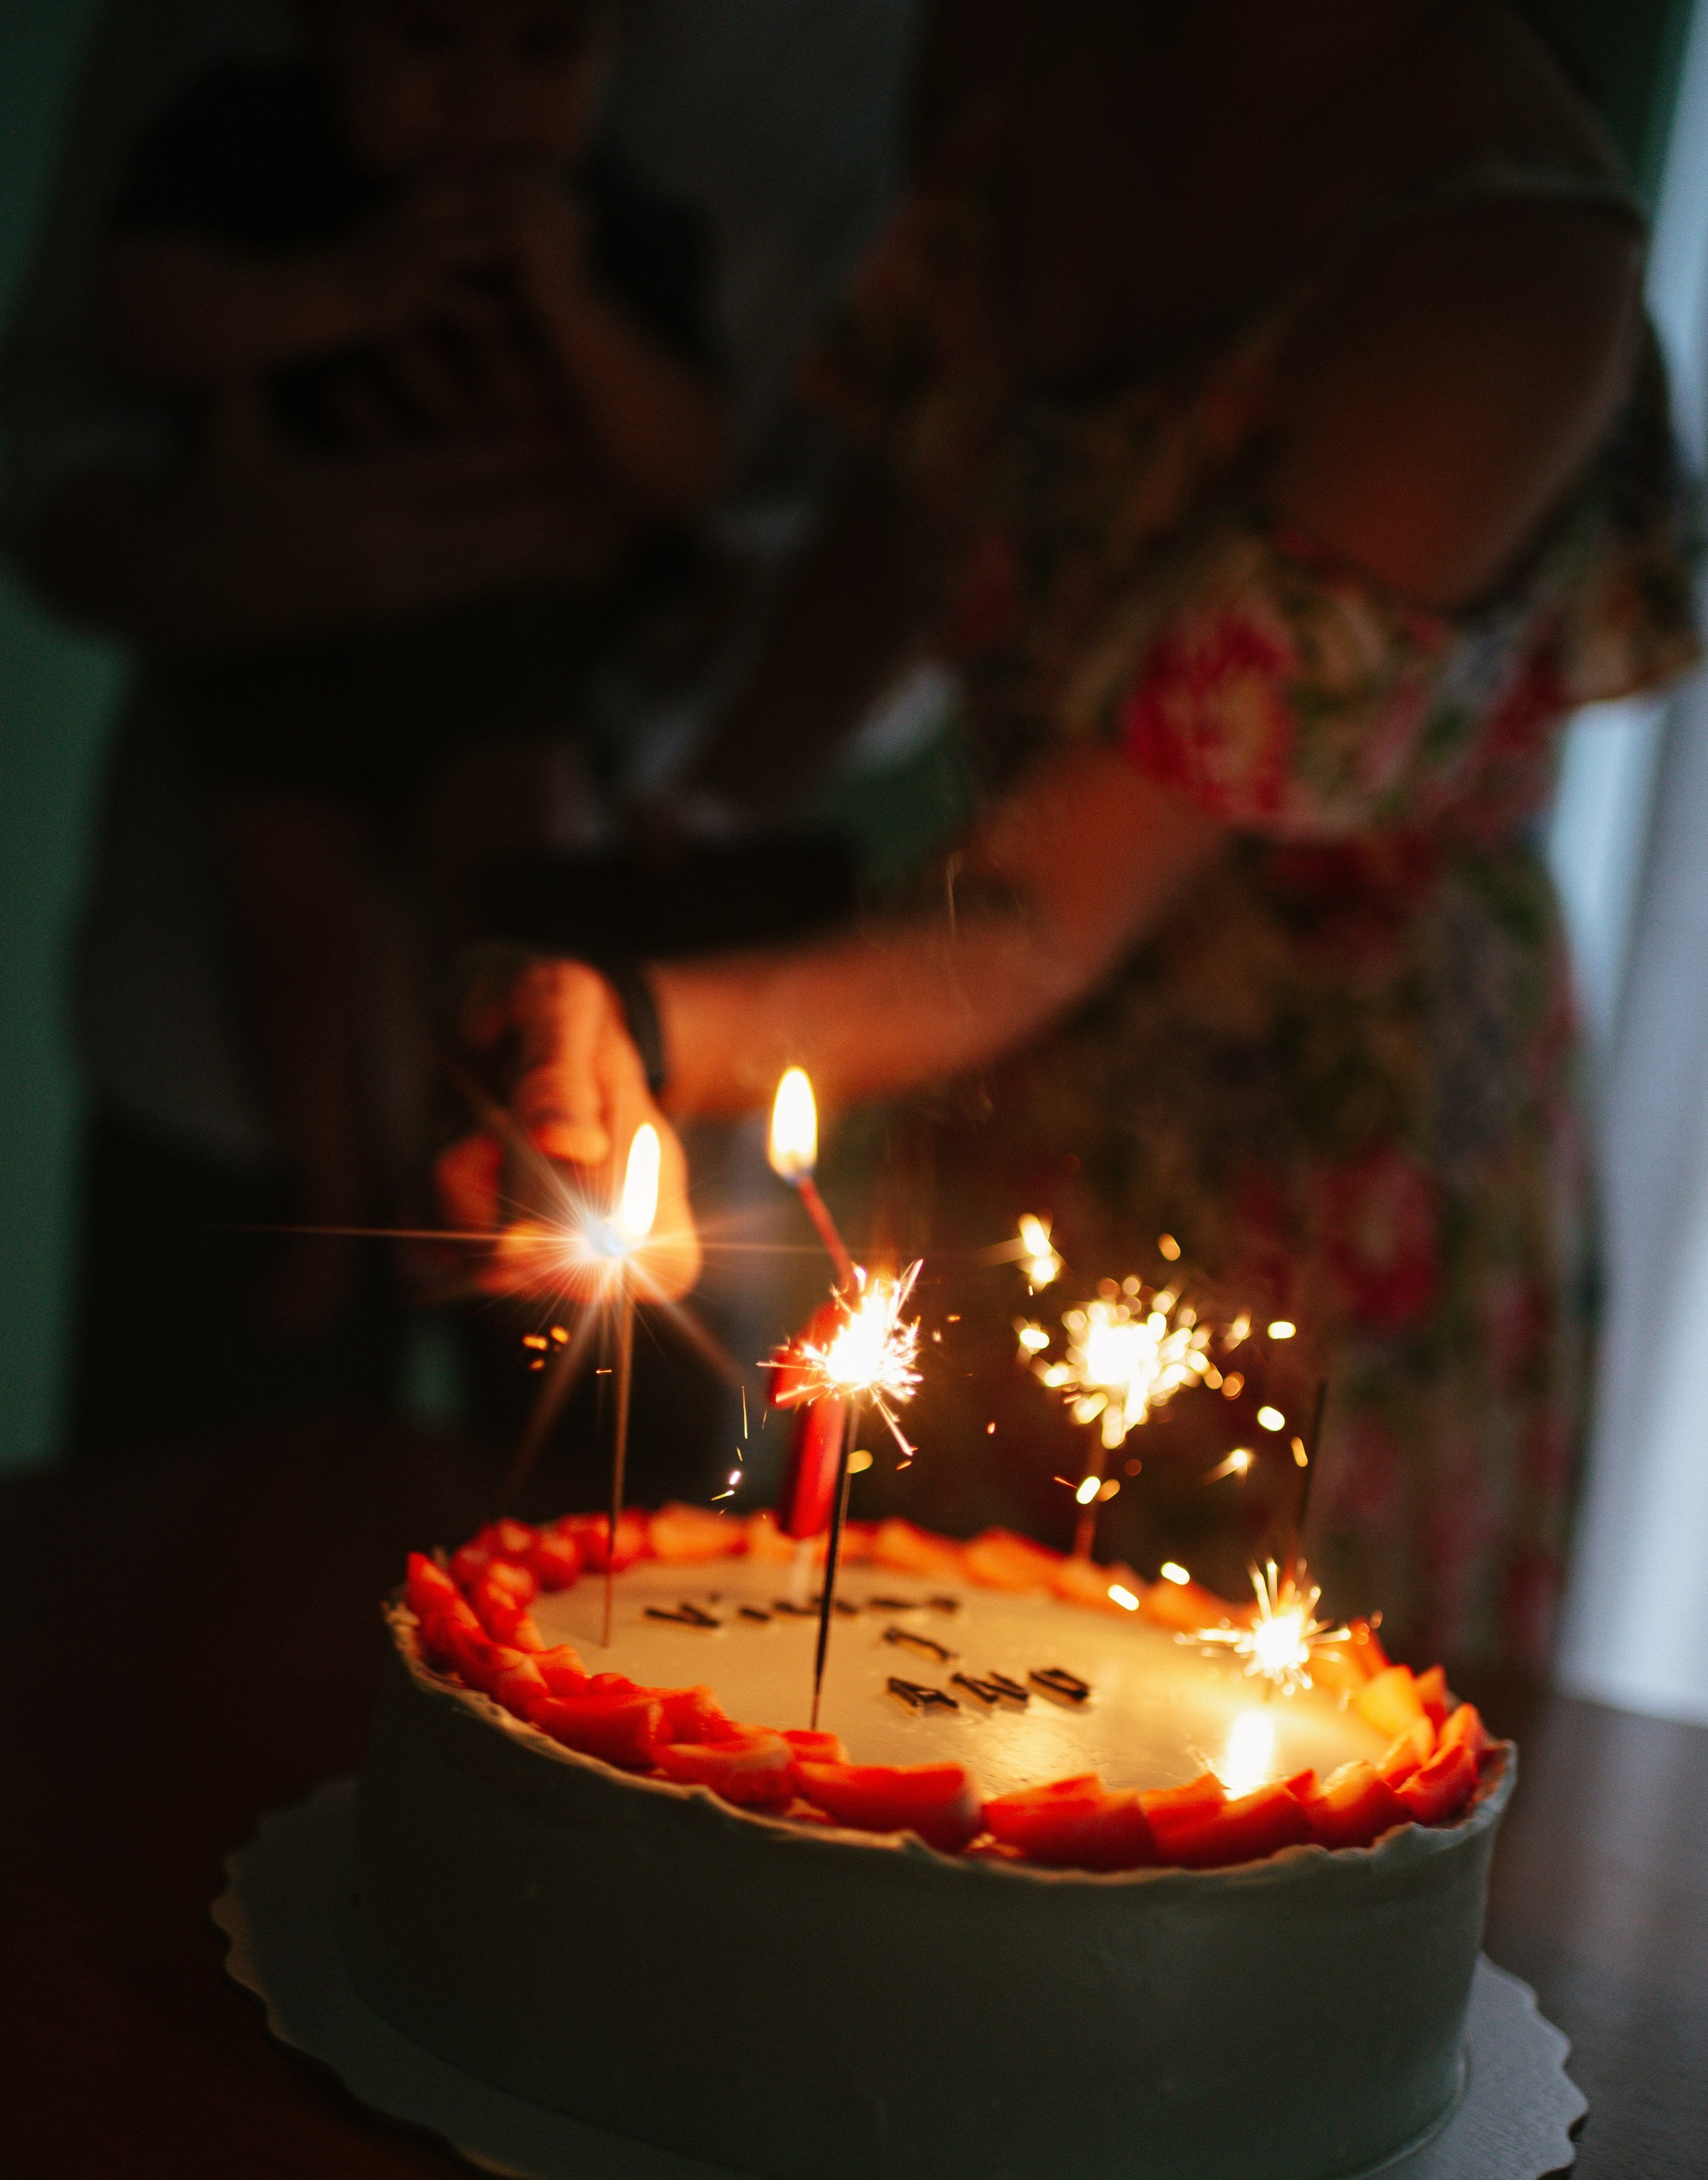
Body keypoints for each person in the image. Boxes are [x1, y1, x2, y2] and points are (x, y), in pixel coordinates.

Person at [442, 0, 1701, 1669]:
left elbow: (1050, 904)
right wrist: (690, 832)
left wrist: (664, 1025)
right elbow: (897, 530)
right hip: (976, 1088)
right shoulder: (1014, 51)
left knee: (1206, 1814)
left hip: (1325, 1198)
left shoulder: (1509, 268)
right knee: (886, 1719)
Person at [0, 0, 920, 1451]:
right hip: (265, 698)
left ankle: (490, 1176)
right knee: (291, 933)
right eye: (427, 40)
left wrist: (566, 316)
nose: (480, 97)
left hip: (529, 697)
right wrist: (336, 303)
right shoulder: (250, 155)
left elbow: (739, 476)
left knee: (514, 925)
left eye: (542, 51)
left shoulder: (630, 220)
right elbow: (87, 369)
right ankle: (330, 1197)